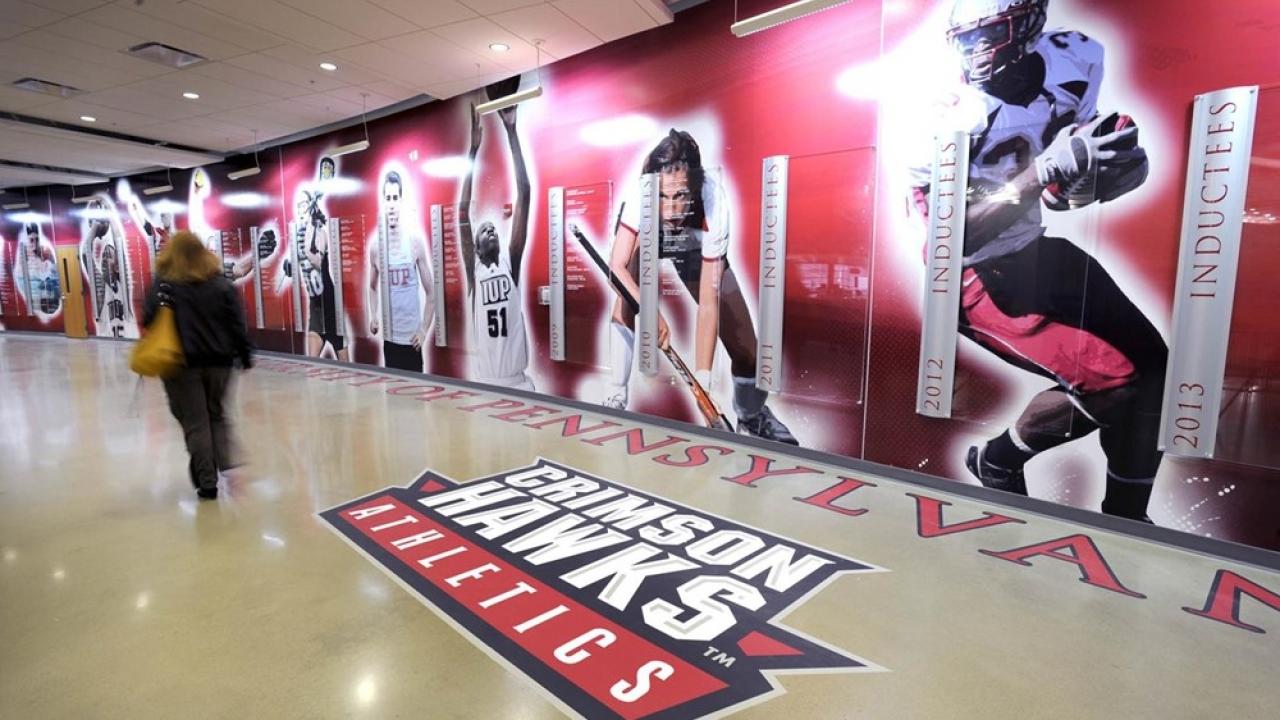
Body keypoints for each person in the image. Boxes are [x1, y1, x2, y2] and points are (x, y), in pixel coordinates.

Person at [909, 0, 1165, 521]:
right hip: (972, 274)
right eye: (966, 39)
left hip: (1033, 249)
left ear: (1028, 23)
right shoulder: (944, 107)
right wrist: (1042, 172)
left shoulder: (1076, 57)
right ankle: (999, 459)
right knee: (1117, 383)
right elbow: (953, 237)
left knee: (1159, 371)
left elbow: (1063, 182)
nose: (977, 50)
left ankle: (1127, 517)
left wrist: (1105, 174)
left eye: (990, 34)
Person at [604, 129, 797, 445]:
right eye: (663, 197)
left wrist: (702, 385)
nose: (671, 210)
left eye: (680, 196)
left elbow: (709, 303)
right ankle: (615, 394)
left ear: (694, 186)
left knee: (746, 347)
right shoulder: (640, 192)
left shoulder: (712, 199)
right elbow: (616, 268)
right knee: (628, 294)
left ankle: (751, 415)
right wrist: (649, 311)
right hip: (650, 240)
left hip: (693, 247)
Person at [143, 231, 253, 500]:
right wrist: (244, 355)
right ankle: (226, 466)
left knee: (196, 422)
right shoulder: (221, 284)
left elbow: (148, 319)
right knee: (216, 415)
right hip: (220, 364)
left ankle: (207, 482)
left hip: (181, 364)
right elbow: (237, 324)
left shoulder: (164, 285)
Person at [458, 101, 535, 391]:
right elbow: (462, 212)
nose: (491, 229)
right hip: (487, 383)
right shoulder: (474, 273)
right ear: (476, 249)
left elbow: (524, 192)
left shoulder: (509, 264)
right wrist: (472, 151)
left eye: (493, 229)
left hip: (519, 381)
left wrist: (511, 131)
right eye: (484, 229)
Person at [366, 170, 434, 372]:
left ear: (401, 200)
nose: (392, 204)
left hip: (412, 341)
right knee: (393, 391)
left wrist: (423, 331)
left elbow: (432, 292)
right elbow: (372, 287)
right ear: (383, 202)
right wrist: (373, 315)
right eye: (388, 198)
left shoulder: (414, 241)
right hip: (390, 340)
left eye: (395, 198)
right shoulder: (376, 247)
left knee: (415, 392)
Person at [80, 196, 135, 338]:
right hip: (106, 344)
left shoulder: (124, 286)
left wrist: (110, 214)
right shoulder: (101, 288)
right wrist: (95, 226)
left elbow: (119, 242)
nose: (104, 258)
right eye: (104, 256)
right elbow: (86, 253)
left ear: (117, 267)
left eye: (109, 256)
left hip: (127, 342)